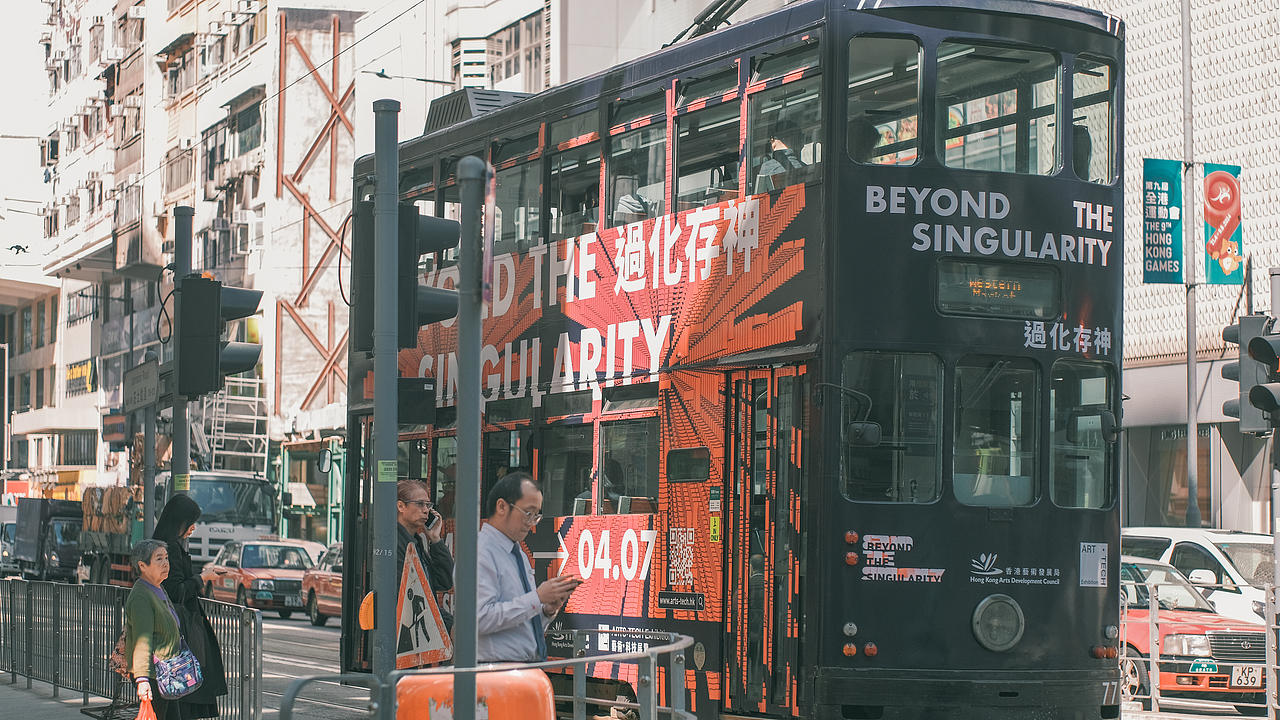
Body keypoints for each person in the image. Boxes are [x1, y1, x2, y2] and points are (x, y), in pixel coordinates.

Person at [475, 471, 579, 662]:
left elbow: (520, 624)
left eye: (537, 516)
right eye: (528, 513)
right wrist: (537, 597)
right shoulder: (480, 552)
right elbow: (479, 619)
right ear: (501, 506)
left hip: (521, 670)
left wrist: (546, 610)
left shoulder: (517, 552)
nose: (532, 523)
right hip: (496, 672)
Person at [153, 495, 228, 719]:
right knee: (186, 690)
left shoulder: (162, 546)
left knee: (179, 694)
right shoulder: (171, 549)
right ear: (179, 520)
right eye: (191, 521)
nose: (193, 527)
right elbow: (176, 591)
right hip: (182, 629)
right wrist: (202, 577)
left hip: (173, 628)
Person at [125, 539, 182, 720]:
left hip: (168, 672)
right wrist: (142, 680)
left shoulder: (158, 588)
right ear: (143, 565)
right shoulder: (142, 596)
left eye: (166, 558)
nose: (166, 563)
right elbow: (143, 641)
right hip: (154, 676)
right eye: (159, 559)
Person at [396, 479, 455, 634]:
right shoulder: (394, 543)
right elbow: (413, 598)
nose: (426, 510)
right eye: (420, 504)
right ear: (401, 506)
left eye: (428, 505)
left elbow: (444, 582)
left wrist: (435, 540)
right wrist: (449, 625)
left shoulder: (416, 543)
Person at [755, 120, 807, 192]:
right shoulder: (804, 167)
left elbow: (760, 196)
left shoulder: (768, 167)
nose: (803, 144)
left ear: (772, 141)